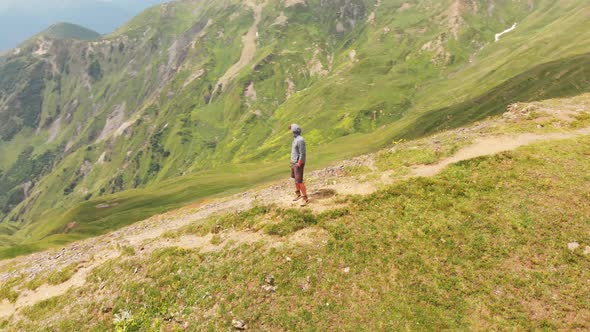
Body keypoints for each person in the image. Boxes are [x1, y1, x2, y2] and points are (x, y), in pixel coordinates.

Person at [289, 124, 308, 206]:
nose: (291, 131)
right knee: (295, 180)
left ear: (294, 131)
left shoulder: (300, 140)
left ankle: (305, 198)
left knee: (299, 181)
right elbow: (292, 125)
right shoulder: (295, 138)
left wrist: (299, 162)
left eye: (292, 130)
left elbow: (302, 153)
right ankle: (298, 194)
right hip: (293, 162)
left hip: (298, 163)